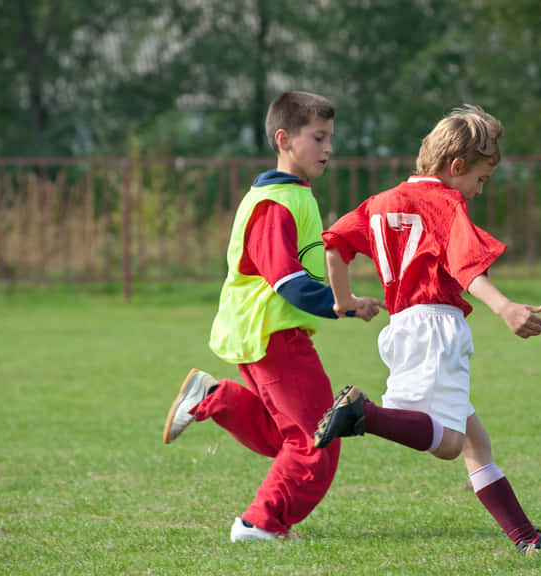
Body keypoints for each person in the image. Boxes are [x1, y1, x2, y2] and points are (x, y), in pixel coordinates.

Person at [313, 105, 541, 555]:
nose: (479, 191)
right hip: (437, 325)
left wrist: (344, 300)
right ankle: (362, 415)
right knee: (448, 444)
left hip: (403, 326)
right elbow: (467, 267)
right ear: (456, 167)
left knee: (475, 441)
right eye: (480, 180)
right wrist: (505, 308)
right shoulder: (446, 203)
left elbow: (333, 245)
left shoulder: (380, 203)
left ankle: (527, 540)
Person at [161, 91, 381, 542]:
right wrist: (342, 305)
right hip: (274, 337)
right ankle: (259, 524)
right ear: (284, 139)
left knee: (285, 438)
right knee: (317, 439)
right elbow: (288, 282)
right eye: (318, 137)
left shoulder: (292, 196)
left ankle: (213, 398)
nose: (328, 148)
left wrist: (346, 299)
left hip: (264, 335)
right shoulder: (275, 203)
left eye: (330, 138)